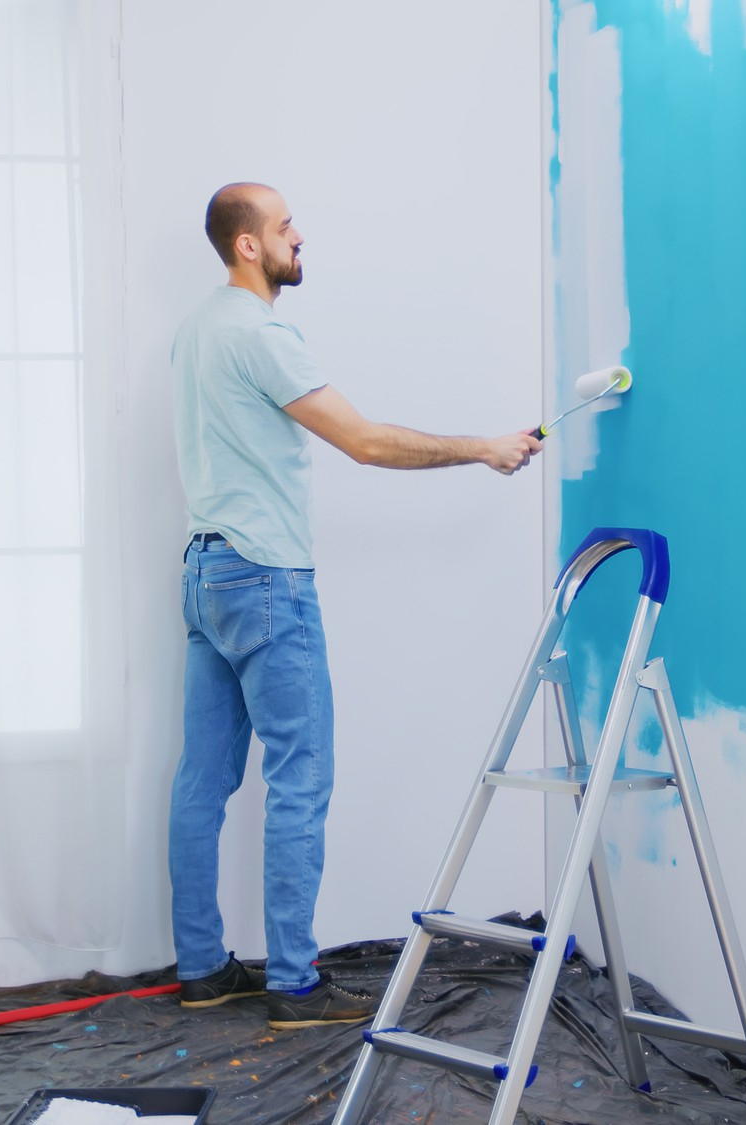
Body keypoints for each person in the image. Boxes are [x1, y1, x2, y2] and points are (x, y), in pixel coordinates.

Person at [167, 182, 542, 1029]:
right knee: (300, 778)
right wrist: (483, 447)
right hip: (266, 578)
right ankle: (294, 985)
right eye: (286, 225)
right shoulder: (259, 334)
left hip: (205, 574)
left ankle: (202, 970)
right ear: (248, 246)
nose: (301, 236)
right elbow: (365, 442)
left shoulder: (196, 331)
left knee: (203, 781)